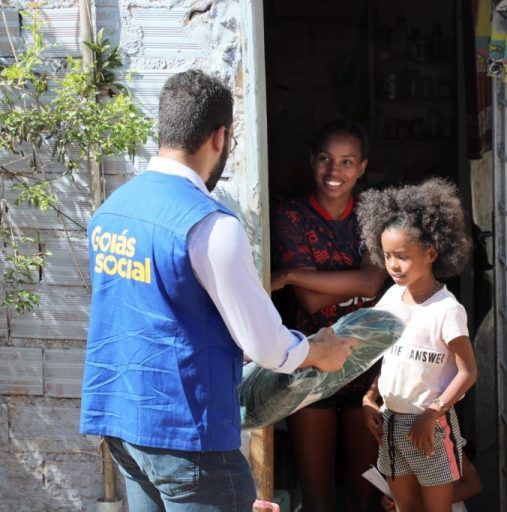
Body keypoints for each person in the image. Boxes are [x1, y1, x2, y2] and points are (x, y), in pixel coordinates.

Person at [79, 69, 358, 512]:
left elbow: (157, 313)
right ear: (219, 138)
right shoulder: (209, 225)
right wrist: (319, 350)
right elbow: (268, 347)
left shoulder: (112, 211)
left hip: (123, 426)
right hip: (189, 438)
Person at [270, 119, 390, 512]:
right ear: (311, 161)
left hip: (366, 365)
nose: (334, 172)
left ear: (362, 167)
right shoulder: (290, 216)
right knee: (317, 498)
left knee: (364, 496)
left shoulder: (374, 215)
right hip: (308, 366)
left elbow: (372, 282)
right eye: (325, 159)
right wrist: (344, 280)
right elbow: (309, 302)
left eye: (346, 161)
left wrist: (288, 274)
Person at [357, 178, 478, 512]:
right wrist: (370, 398)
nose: (393, 265)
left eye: (403, 256)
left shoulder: (447, 310)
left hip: (431, 428)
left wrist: (432, 412)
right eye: (387, 256)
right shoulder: (392, 298)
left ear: (432, 252)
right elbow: (391, 359)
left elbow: (468, 372)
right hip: (392, 424)